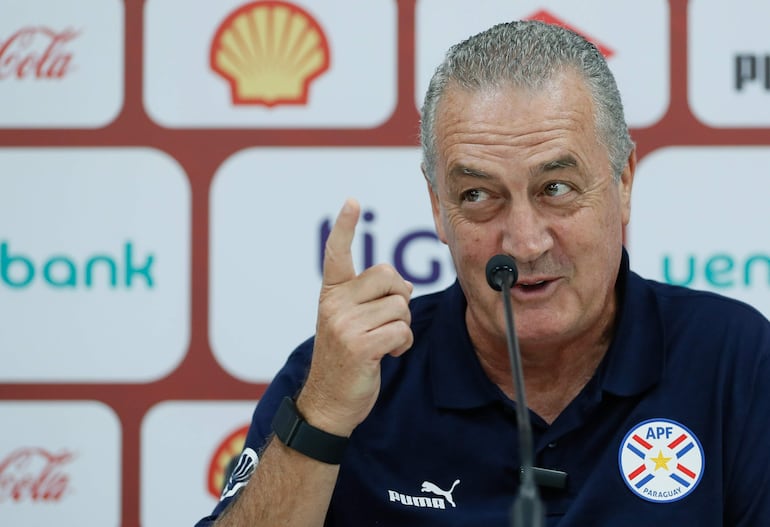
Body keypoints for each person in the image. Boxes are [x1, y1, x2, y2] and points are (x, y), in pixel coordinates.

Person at [196, 20, 770, 526]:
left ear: (622, 183)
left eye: (557, 189)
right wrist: (321, 417)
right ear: (436, 209)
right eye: (477, 195)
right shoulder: (354, 373)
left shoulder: (734, 360)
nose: (524, 241)